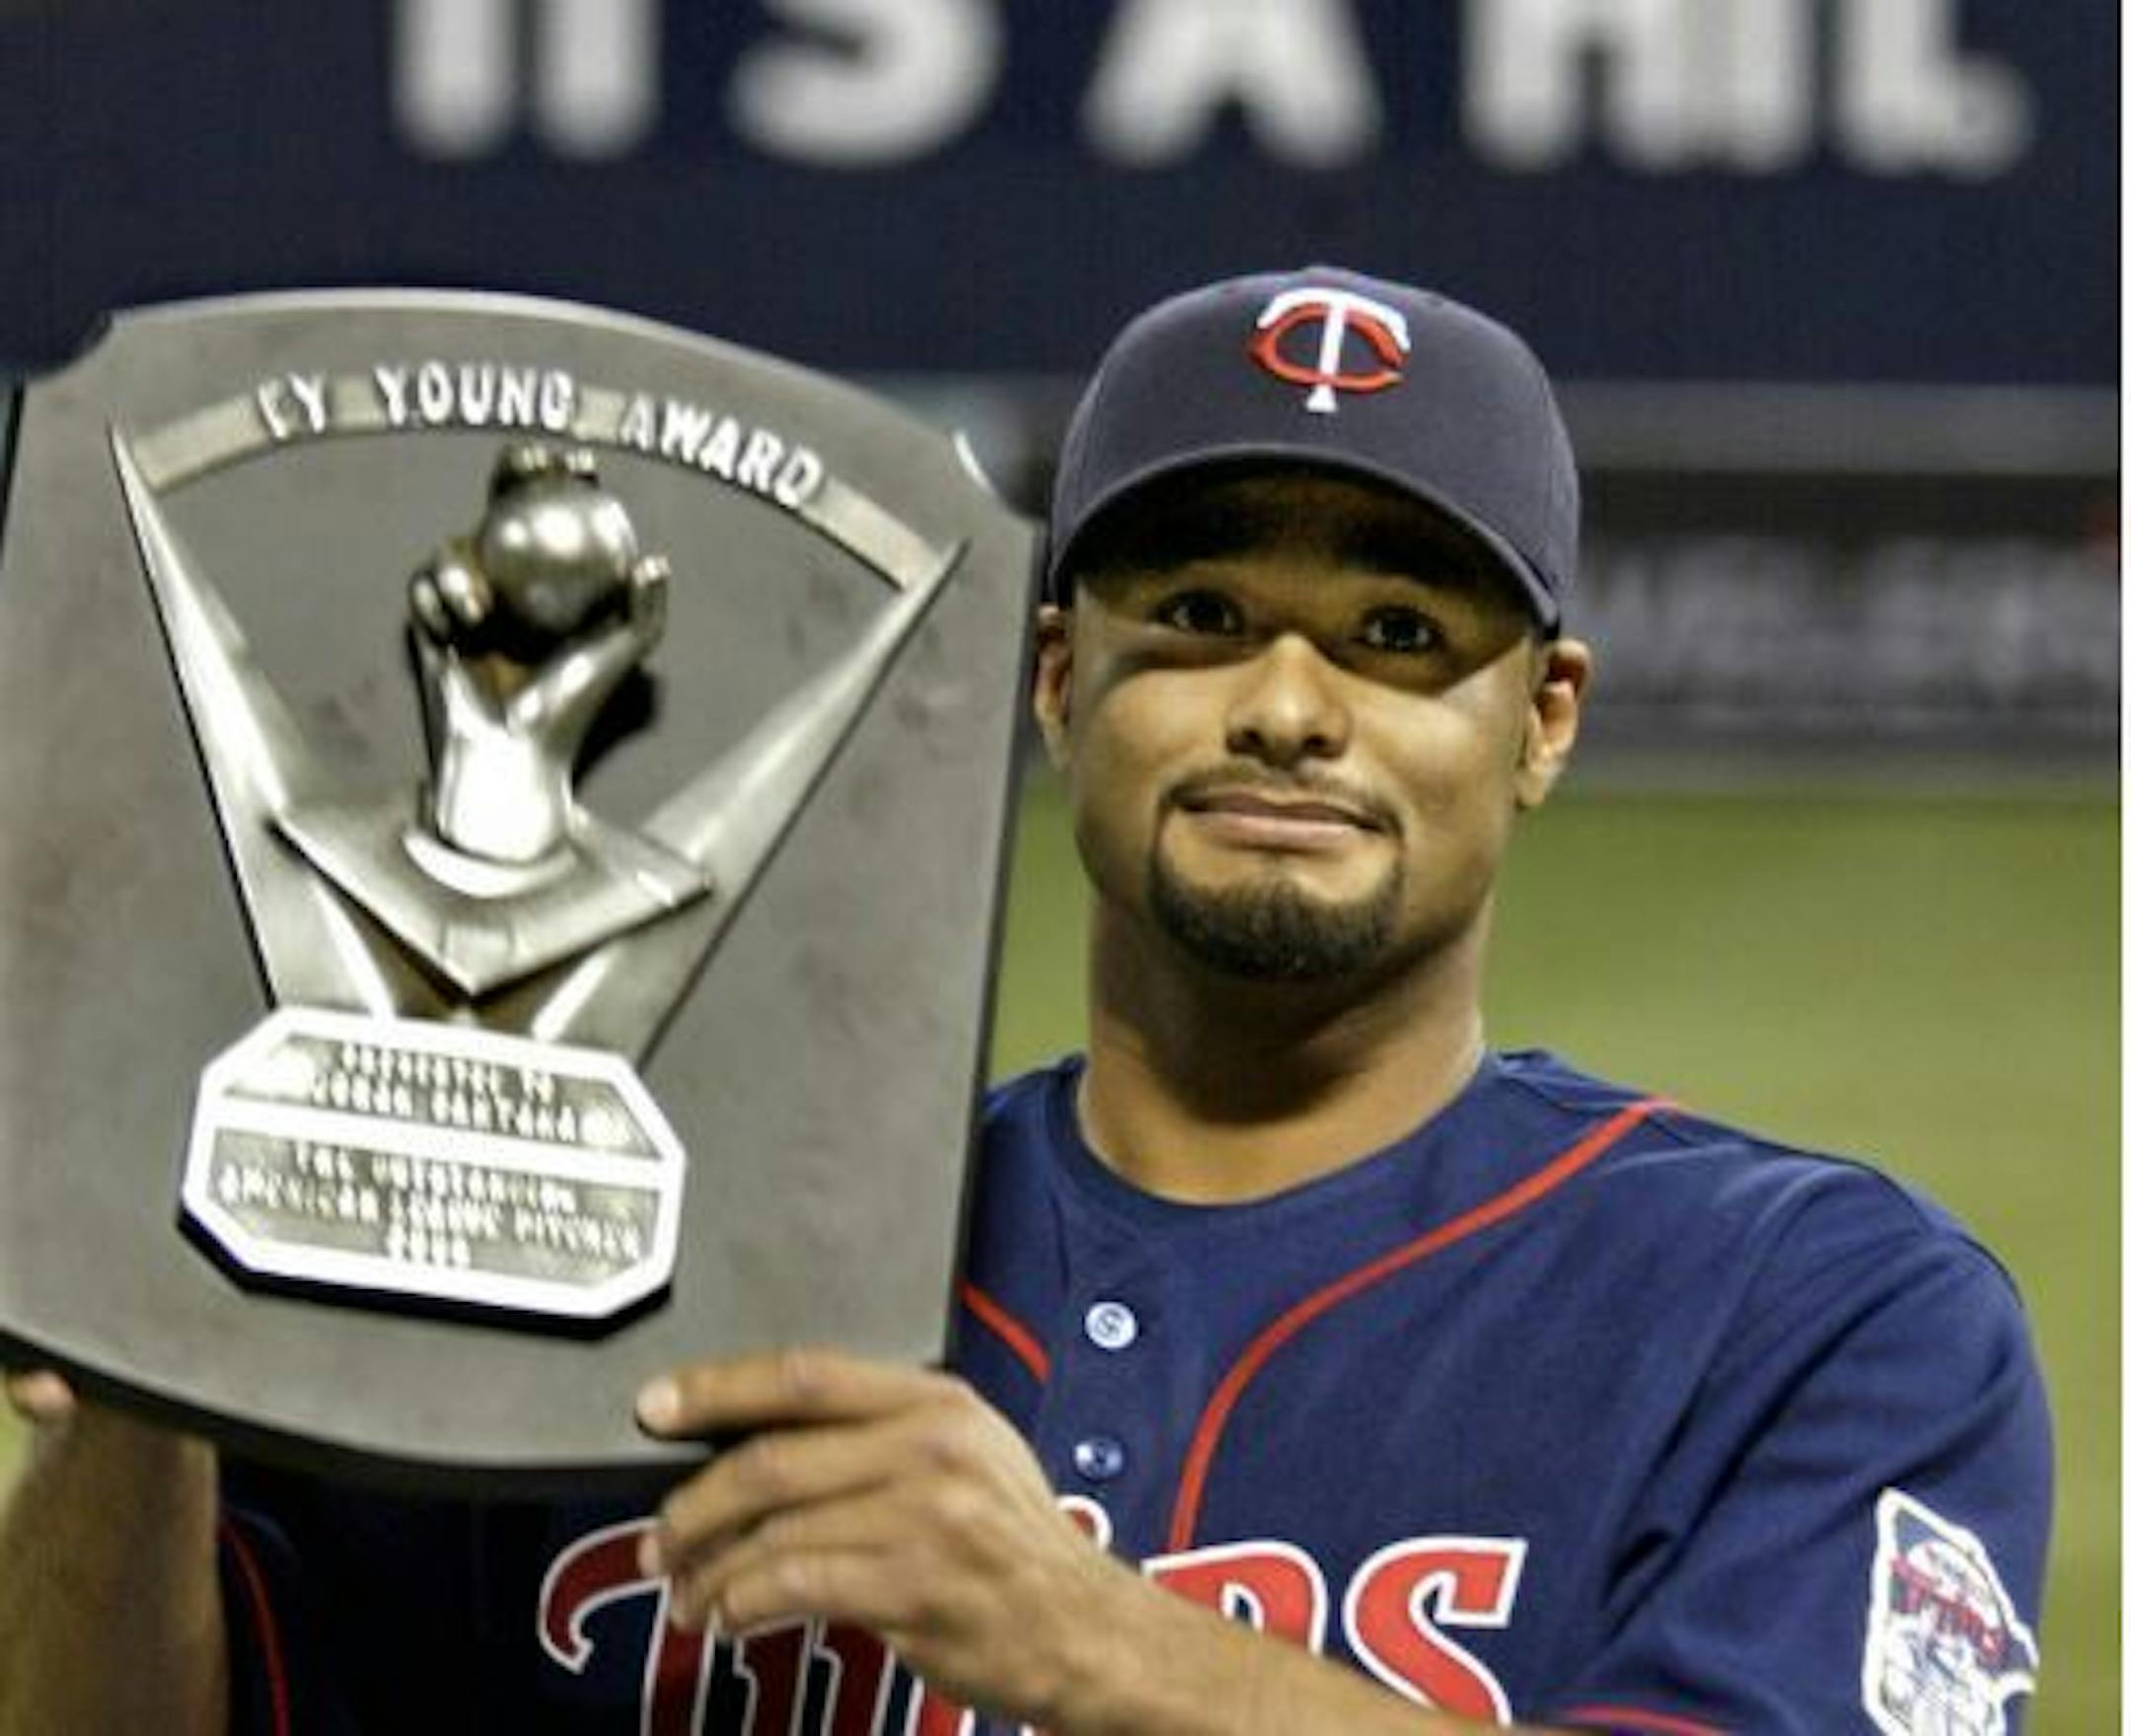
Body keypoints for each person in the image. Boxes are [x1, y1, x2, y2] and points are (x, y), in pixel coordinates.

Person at [0, 265, 2051, 1735]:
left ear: (1547, 722)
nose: (1288, 706)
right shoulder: (633, 1257)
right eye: (1203, 615)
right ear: (1059, 680)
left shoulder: (1815, 1316)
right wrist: (149, 1381)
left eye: (1399, 635)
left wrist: (1088, 1641)